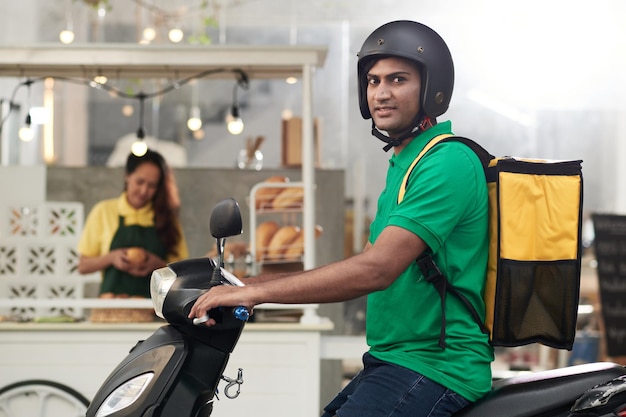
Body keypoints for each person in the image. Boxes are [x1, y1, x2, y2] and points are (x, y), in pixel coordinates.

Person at [189, 20, 493, 417]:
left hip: (437, 367)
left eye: (397, 80)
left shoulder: (446, 162)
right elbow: (360, 267)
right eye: (373, 81)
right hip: (393, 360)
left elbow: (376, 271)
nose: (381, 93)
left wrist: (253, 294)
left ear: (433, 88)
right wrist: (247, 284)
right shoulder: (407, 163)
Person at [78, 149, 189, 298]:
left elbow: (184, 273)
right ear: (127, 176)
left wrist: (157, 264)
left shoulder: (167, 219)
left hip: (154, 309)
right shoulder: (103, 211)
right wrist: (112, 258)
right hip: (112, 307)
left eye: (152, 186)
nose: (144, 191)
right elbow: (83, 266)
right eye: (140, 182)